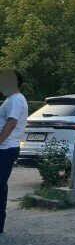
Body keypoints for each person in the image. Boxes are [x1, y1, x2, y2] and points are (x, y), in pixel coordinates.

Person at [0, 70, 28, 235]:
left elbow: (11, 123)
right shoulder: (11, 99)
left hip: (6, 148)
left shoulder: (16, 100)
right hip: (5, 147)